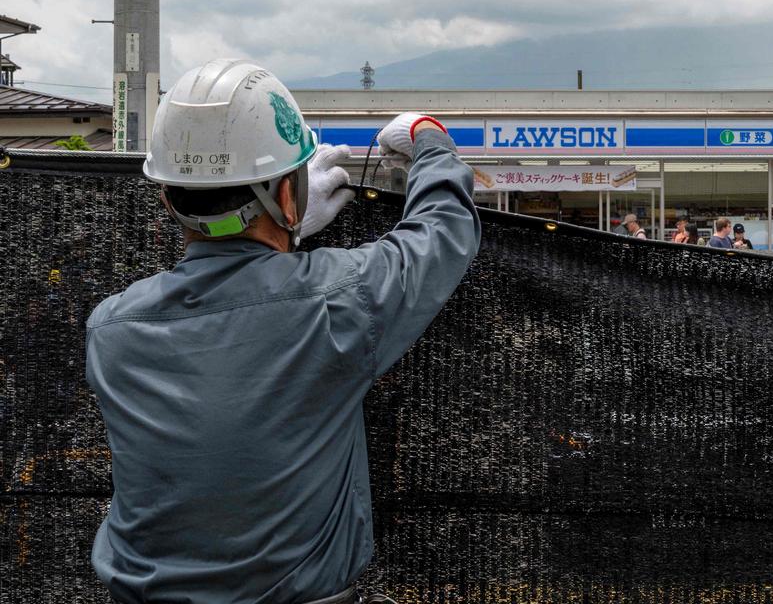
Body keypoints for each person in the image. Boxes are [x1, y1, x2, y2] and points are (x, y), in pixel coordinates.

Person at [84, 60, 481, 604]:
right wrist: (428, 140)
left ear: (166, 196)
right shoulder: (338, 300)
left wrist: (280, 231)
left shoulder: (110, 329)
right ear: (288, 195)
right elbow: (443, 232)